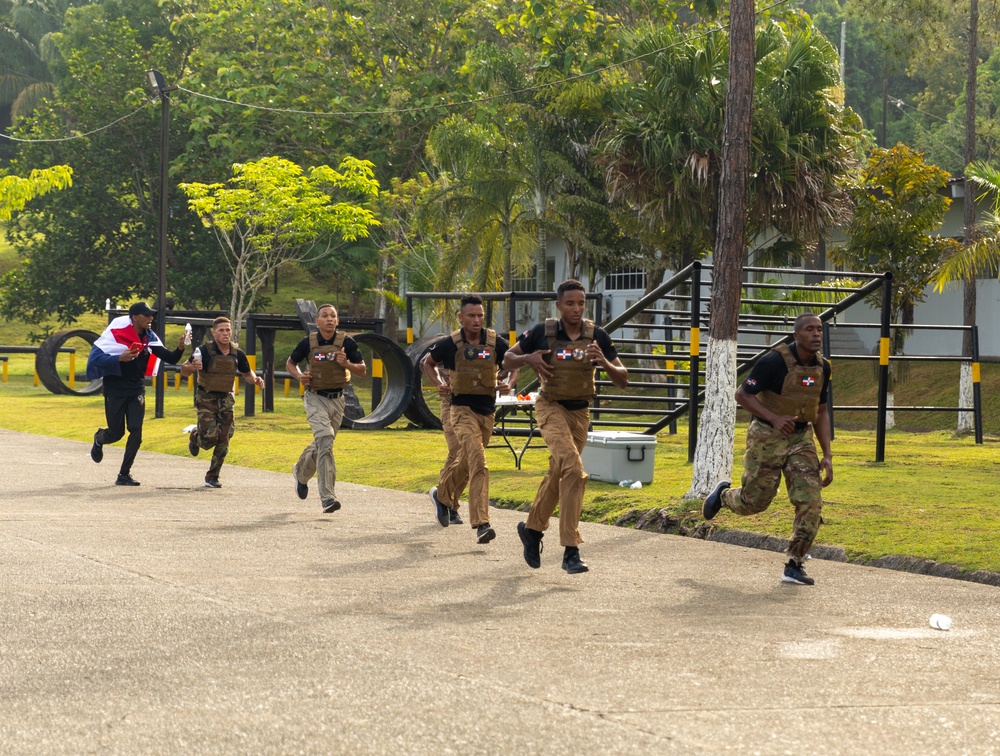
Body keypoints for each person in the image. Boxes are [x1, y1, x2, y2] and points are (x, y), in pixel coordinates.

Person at [503, 279, 628, 574]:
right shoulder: (542, 332)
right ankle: (571, 550)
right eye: (570, 303)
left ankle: (532, 530)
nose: (576, 308)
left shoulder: (597, 335)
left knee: (560, 472)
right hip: (550, 406)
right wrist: (528, 358)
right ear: (558, 305)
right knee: (573, 469)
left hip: (580, 412)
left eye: (581, 303)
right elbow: (508, 358)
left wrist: (604, 363)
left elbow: (623, 379)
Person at [702, 312, 834, 586]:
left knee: (811, 502)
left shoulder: (824, 368)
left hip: (801, 439)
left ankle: (794, 564)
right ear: (797, 335)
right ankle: (723, 495)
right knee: (755, 503)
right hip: (767, 435)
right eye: (809, 330)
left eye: (819, 329)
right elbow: (742, 395)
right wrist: (773, 417)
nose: (816, 334)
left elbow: (821, 411)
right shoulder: (774, 361)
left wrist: (828, 454)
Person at [421, 294, 515, 544]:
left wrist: (509, 382)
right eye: (471, 315)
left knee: (466, 461)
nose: (476, 320)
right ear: (461, 317)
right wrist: (439, 384)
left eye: (480, 315)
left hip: (487, 411)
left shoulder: (495, 342)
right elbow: (426, 363)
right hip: (460, 409)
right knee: (478, 463)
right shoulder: (449, 344)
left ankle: (441, 495)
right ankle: (482, 523)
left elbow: (516, 361)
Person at [86, 302, 187, 486]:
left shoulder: (149, 337)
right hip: (115, 388)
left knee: (136, 431)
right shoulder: (116, 334)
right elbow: (95, 359)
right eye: (146, 315)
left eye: (151, 315)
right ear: (135, 317)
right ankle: (100, 438)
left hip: (136, 388)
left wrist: (180, 347)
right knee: (116, 433)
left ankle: (124, 474)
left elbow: (170, 358)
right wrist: (119, 358)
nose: (150, 318)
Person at [285, 304, 367, 513]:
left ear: (337, 321)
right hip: (315, 397)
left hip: (337, 400)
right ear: (317, 321)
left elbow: (362, 371)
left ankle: (300, 473)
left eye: (333, 316)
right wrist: (299, 376)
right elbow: (291, 363)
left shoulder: (346, 343)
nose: (329, 319)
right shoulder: (308, 343)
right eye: (325, 316)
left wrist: (347, 363)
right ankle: (328, 498)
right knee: (326, 439)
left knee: (323, 443)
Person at [179, 316, 265, 488]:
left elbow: (247, 374)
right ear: (214, 332)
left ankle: (212, 476)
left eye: (228, 330)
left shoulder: (237, 353)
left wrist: (256, 380)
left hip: (226, 400)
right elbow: (184, 371)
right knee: (209, 439)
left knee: (224, 439)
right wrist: (191, 368)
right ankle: (196, 437)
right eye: (221, 330)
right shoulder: (203, 350)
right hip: (206, 400)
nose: (225, 333)